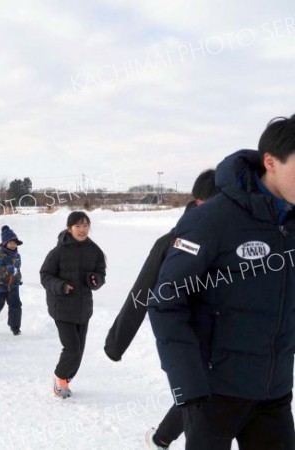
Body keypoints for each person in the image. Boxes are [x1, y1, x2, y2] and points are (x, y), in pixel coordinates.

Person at [148, 115, 295, 450]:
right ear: (271, 162)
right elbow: (166, 302)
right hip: (214, 394)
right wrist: (188, 385)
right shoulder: (213, 219)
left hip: (274, 391)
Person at [103, 170, 218, 450]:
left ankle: (160, 438)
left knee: (208, 397)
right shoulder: (171, 242)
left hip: (226, 343)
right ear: (201, 202)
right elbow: (141, 293)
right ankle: (162, 439)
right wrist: (116, 344)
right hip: (187, 343)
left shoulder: (231, 241)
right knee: (199, 403)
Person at [40, 211, 106, 398]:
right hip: (61, 307)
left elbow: (100, 274)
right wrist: (61, 286)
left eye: (85, 225)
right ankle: (59, 378)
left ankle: (66, 379)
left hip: (83, 308)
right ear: (70, 228)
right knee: (72, 348)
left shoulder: (94, 250)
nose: (82, 229)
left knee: (79, 351)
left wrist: (96, 280)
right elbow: (45, 276)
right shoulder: (58, 251)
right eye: (78, 226)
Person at [0, 225, 23, 335]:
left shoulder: (17, 255)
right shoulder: (0, 255)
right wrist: (8, 269)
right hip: (2, 284)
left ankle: (15, 327)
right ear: (5, 243)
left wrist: (18, 277)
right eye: (10, 242)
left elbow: (17, 268)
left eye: (15, 243)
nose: (13, 245)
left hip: (14, 285)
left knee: (16, 305)